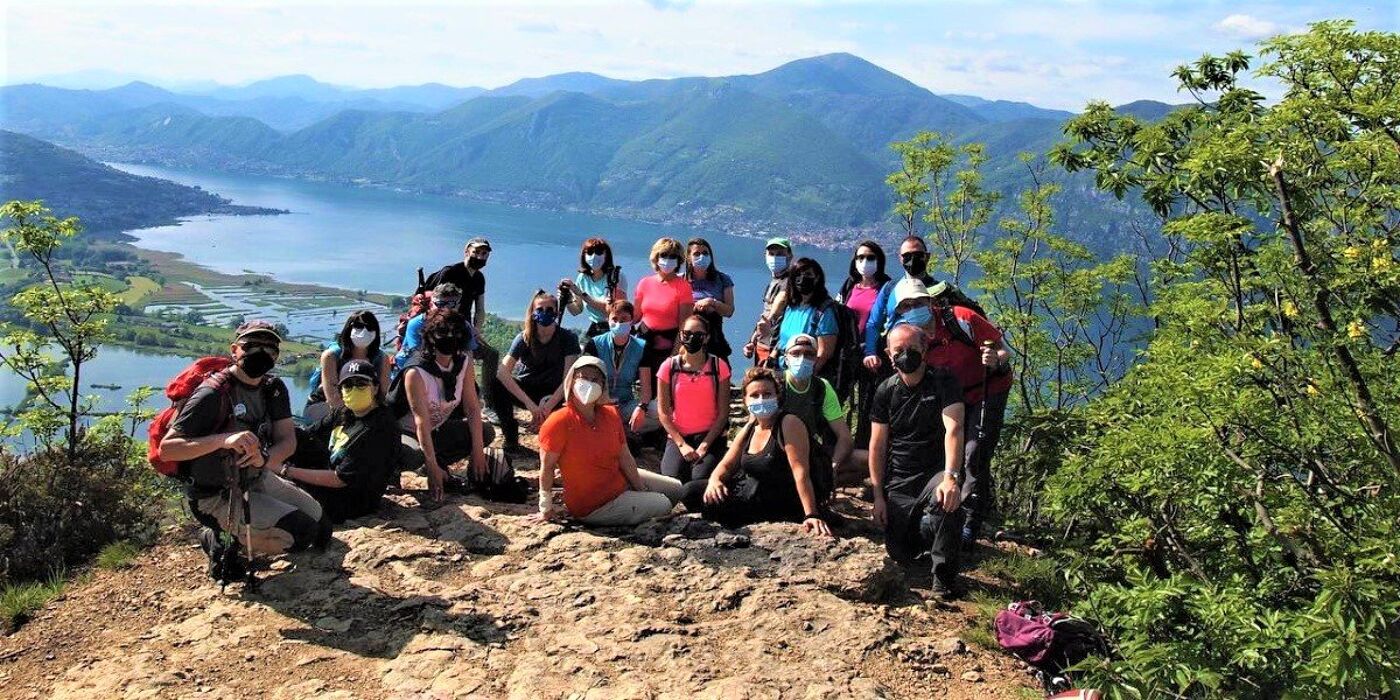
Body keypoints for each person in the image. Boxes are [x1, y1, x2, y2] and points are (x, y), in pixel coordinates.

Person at [159, 320, 329, 579]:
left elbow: (287, 441)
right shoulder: (213, 394)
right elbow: (169, 449)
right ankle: (218, 538)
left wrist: (264, 459)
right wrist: (223, 440)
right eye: (251, 346)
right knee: (300, 533)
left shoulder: (272, 389)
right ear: (234, 350)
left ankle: (239, 531)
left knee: (321, 527)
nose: (261, 353)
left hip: (256, 478)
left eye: (269, 348)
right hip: (216, 495)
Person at [893, 277, 1013, 548]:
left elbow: (1003, 349)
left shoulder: (961, 319)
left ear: (930, 301)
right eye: (906, 306)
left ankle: (970, 523)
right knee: (945, 450)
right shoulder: (910, 337)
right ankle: (943, 512)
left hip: (986, 389)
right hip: (949, 397)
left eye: (918, 302)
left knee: (974, 452)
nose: (913, 309)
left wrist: (995, 360)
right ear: (900, 311)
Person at [868, 323, 967, 599]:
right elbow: (877, 444)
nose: (905, 354)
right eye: (899, 349)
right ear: (889, 355)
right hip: (900, 477)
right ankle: (926, 535)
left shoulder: (943, 381)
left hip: (935, 472)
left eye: (912, 348)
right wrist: (878, 496)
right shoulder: (886, 390)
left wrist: (950, 477)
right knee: (899, 551)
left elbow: (954, 428)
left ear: (924, 350)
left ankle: (943, 581)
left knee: (947, 501)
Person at [681, 367, 832, 537]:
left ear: (777, 396)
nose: (761, 399)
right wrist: (714, 481)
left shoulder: (789, 423)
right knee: (690, 491)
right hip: (747, 492)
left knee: (714, 508)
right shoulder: (751, 427)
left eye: (767, 394)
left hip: (779, 499)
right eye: (754, 395)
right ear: (745, 400)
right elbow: (727, 464)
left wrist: (811, 514)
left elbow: (801, 472)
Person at [534, 356, 684, 526]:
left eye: (595, 380)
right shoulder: (558, 421)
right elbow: (547, 467)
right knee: (663, 503)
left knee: (676, 489)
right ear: (572, 381)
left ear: (603, 385)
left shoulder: (610, 414)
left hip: (618, 480)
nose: (589, 383)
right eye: (583, 377)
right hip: (595, 505)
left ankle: (640, 501)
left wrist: (640, 488)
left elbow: (624, 457)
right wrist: (545, 507)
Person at [396, 308, 501, 502]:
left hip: (435, 429)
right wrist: (432, 467)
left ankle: (436, 462)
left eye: (456, 332)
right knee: (414, 455)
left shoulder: (463, 363)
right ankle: (415, 466)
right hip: (405, 432)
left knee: (485, 432)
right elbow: (420, 422)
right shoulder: (416, 372)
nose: (450, 337)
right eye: (443, 332)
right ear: (430, 335)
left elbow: (472, 408)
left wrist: (477, 451)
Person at [283, 360, 401, 523]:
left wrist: (287, 471)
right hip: (330, 474)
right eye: (348, 385)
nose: (354, 389)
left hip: (350, 500)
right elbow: (308, 434)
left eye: (361, 384)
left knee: (283, 490)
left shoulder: (381, 428)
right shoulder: (344, 412)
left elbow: (339, 480)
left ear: (375, 388)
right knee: (288, 435)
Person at [492, 290, 580, 453]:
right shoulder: (524, 338)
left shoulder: (568, 338)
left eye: (549, 309)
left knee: (578, 386)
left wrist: (547, 408)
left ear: (557, 312)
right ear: (533, 313)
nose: (545, 313)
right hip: (528, 390)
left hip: (556, 394)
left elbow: (568, 378)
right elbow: (502, 372)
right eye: (540, 309)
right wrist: (530, 405)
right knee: (495, 383)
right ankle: (511, 438)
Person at [421, 236, 499, 410]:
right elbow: (434, 303)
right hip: (442, 331)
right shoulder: (450, 272)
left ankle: (489, 404)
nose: (480, 257)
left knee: (491, 355)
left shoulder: (479, 278)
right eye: (476, 252)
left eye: (484, 254)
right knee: (463, 370)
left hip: (464, 330)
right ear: (466, 251)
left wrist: (476, 331)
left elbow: (480, 309)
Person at [864, 236, 982, 349]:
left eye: (918, 255)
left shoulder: (944, 290)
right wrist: (871, 352)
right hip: (898, 352)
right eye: (907, 256)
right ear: (900, 258)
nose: (912, 260)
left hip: (937, 352)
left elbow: (976, 316)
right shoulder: (890, 288)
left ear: (927, 257)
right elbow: (873, 323)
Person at [655, 315, 731, 483]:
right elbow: (663, 413)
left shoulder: (719, 366)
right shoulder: (668, 367)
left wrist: (705, 444)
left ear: (707, 338)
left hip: (710, 436)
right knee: (672, 481)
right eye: (687, 333)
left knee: (699, 479)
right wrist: (681, 445)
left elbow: (723, 413)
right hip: (679, 436)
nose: (692, 338)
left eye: (698, 334)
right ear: (681, 335)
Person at [779, 334, 856, 484]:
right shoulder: (777, 384)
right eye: (796, 353)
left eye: (809, 354)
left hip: (810, 451)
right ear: (786, 359)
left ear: (816, 359)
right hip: (778, 452)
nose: (802, 358)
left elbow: (845, 437)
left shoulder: (822, 387)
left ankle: (822, 483)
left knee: (866, 461)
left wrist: (833, 465)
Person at [838, 241, 892, 449]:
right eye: (860, 257)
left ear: (879, 260)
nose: (865, 261)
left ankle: (865, 449)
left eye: (870, 257)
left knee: (868, 404)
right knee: (839, 399)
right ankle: (836, 445)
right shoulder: (849, 285)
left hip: (874, 356)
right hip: (848, 354)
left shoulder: (887, 288)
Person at [583, 300, 654, 437]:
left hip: (626, 404)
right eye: (614, 319)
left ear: (631, 321)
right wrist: (602, 401)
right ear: (607, 320)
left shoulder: (642, 347)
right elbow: (586, 381)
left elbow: (646, 387)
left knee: (657, 411)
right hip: (598, 404)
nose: (619, 323)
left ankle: (619, 431)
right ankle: (622, 433)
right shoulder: (595, 344)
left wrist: (641, 408)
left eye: (624, 319)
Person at [305, 310, 391, 423]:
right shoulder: (331, 356)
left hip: (365, 411)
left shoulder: (381, 359)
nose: (364, 331)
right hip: (324, 408)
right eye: (359, 326)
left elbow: (383, 395)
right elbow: (333, 397)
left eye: (370, 328)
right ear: (349, 328)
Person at [633, 237, 693, 383]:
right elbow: (635, 317)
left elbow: (684, 326)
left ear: (679, 260)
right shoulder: (645, 283)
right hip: (643, 343)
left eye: (673, 256)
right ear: (656, 258)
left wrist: (675, 354)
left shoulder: (683, 287)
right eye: (664, 255)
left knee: (664, 386)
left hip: (668, 347)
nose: (668, 259)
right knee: (645, 386)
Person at [394, 283, 480, 376]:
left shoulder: (464, 326)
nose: (445, 309)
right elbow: (417, 355)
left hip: (444, 369)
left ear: (458, 305)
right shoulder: (417, 324)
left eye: (451, 304)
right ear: (431, 304)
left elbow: (468, 356)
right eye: (440, 304)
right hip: (410, 369)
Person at [775, 257, 838, 374]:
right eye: (798, 274)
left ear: (817, 278)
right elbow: (782, 341)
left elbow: (824, 354)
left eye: (808, 274)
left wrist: (808, 377)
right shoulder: (790, 308)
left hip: (805, 373)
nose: (802, 278)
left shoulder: (824, 311)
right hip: (783, 370)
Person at [562, 237, 628, 343]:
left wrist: (581, 294)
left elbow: (615, 311)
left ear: (606, 255)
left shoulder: (615, 277)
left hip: (615, 328)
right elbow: (577, 310)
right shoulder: (582, 278)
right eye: (589, 252)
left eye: (599, 252)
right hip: (595, 328)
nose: (594, 256)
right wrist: (567, 298)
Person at [744, 237, 793, 367]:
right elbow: (765, 313)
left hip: (776, 350)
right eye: (771, 254)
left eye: (780, 254)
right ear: (765, 256)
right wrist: (752, 341)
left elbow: (781, 300)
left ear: (790, 256)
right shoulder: (774, 282)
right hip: (762, 346)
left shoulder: (790, 282)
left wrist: (770, 320)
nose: (775, 258)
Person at [685, 237, 734, 361]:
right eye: (696, 254)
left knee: (720, 371)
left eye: (705, 253)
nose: (701, 256)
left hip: (715, 340)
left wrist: (712, 303)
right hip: (688, 339)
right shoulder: (681, 280)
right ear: (689, 257)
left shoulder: (723, 279)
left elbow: (729, 311)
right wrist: (696, 307)